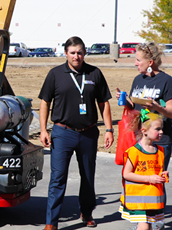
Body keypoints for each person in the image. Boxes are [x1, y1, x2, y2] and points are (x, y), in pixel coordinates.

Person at [38, 36, 115, 230]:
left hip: (88, 133)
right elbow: (44, 103)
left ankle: (87, 213)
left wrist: (109, 129)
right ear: (66, 53)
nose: (76, 56)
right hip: (62, 133)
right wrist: (43, 130)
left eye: (80, 52)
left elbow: (104, 103)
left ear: (85, 53)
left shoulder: (94, 73)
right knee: (58, 178)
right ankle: (51, 222)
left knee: (88, 176)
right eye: (72, 53)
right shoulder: (55, 74)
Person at [116, 42, 172, 169]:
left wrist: (157, 107)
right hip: (138, 138)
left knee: (156, 181)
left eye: (138, 60)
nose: (135, 63)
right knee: (138, 179)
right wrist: (125, 102)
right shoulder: (138, 80)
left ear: (150, 62)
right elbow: (135, 108)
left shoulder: (168, 82)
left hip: (159, 140)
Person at [119, 110, 168, 230]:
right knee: (144, 226)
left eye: (161, 128)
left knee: (149, 225)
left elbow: (155, 170)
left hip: (152, 199)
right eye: (157, 129)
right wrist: (149, 178)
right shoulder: (134, 152)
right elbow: (126, 174)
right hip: (138, 198)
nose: (161, 131)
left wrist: (163, 175)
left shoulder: (160, 151)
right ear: (144, 131)